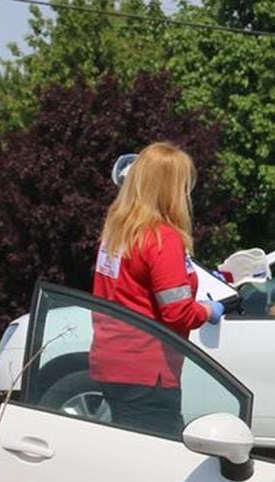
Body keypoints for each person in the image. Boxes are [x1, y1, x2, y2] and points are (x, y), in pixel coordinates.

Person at [90, 141, 225, 437]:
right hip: (148, 371)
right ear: (169, 188)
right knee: (161, 460)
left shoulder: (116, 232)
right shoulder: (162, 239)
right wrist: (208, 309)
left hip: (109, 360)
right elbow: (177, 312)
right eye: (183, 184)